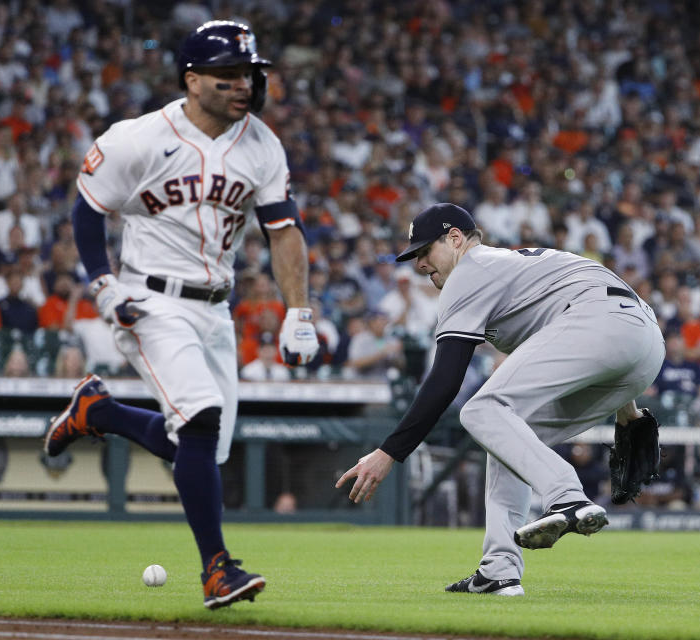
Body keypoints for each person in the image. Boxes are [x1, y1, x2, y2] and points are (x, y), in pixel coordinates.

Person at [42, 21, 318, 610]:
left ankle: (100, 411)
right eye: (226, 77)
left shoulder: (262, 144)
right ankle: (217, 569)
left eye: (247, 73)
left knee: (202, 449)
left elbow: (284, 231)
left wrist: (300, 309)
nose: (242, 85)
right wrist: (104, 285)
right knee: (200, 417)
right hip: (150, 299)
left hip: (216, 310)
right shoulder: (138, 138)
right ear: (191, 80)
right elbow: (88, 212)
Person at [336, 203, 665, 596]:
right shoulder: (509, 268)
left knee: (482, 409)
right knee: (506, 433)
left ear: (455, 239)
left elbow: (444, 382)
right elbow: (602, 311)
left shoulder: (471, 270)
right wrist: (627, 411)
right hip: (644, 343)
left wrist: (388, 452)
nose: (420, 264)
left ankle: (567, 497)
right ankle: (499, 569)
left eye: (425, 252)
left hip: (601, 323)